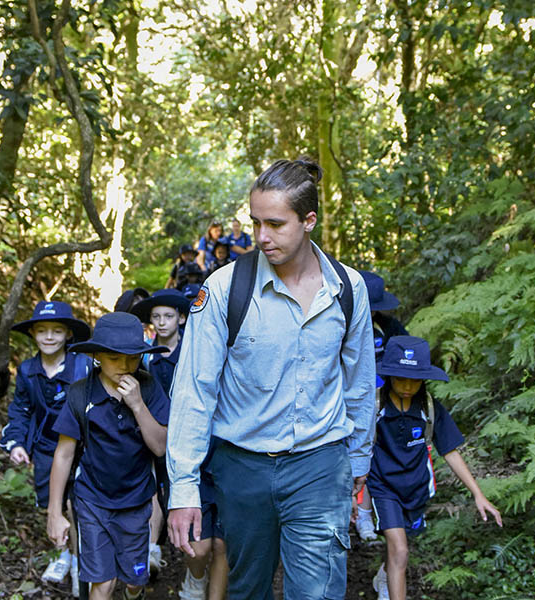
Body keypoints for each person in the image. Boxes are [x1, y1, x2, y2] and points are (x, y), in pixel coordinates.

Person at [166, 157, 376, 599]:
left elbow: (359, 382)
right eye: (256, 222)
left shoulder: (347, 288)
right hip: (243, 466)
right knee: (247, 590)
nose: (261, 237)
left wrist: (359, 458)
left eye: (276, 224)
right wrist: (183, 488)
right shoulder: (224, 289)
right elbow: (193, 391)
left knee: (318, 593)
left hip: (320, 464)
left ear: (309, 221)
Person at [46, 312, 171, 600]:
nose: (125, 366)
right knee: (103, 581)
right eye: (115, 358)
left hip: (136, 502)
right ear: (98, 356)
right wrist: (54, 511)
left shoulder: (149, 388)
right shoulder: (80, 394)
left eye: (133, 358)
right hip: (92, 500)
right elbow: (64, 454)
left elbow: (161, 447)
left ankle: (133, 592)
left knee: (134, 579)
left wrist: (138, 404)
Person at [367, 335, 502, 600]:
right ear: (389, 375)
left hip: (416, 487)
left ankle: (385, 573)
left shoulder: (429, 408)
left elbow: (449, 451)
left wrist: (478, 493)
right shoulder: (374, 406)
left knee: (399, 545)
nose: (407, 386)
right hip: (383, 486)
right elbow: (356, 446)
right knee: (401, 550)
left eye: (414, 380)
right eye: (401, 378)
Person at [133, 289, 229, 600]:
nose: (162, 322)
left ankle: (201, 584)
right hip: (167, 440)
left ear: (182, 319)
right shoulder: (147, 358)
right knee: (162, 495)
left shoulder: (197, 351)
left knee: (221, 543)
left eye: (168, 316)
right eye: (156, 317)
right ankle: (163, 556)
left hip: (212, 448)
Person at [0, 300, 93, 588]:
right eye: (42, 331)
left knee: (76, 504)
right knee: (50, 503)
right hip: (45, 447)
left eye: (56, 331)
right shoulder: (27, 371)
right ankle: (61, 553)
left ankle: (81, 564)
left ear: (67, 334)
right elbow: (21, 410)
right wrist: (16, 443)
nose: (49, 337)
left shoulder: (84, 365)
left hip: (82, 447)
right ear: (33, 335)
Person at [354, 271, 410, 542]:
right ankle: (348, 512)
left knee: (376, 454)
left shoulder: (389, 328)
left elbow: (407, 358)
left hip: (383, 402)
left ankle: (366, 513)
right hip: (345, 405)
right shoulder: (336, 322)